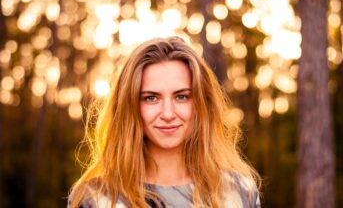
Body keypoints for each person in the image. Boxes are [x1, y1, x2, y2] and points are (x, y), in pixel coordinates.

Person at [68, 36, 261, 208]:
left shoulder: (240, 193)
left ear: (202, 104)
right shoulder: (95, 198)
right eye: (151, 98)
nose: (168, 113)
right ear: (130, 106)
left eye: (182, 96)